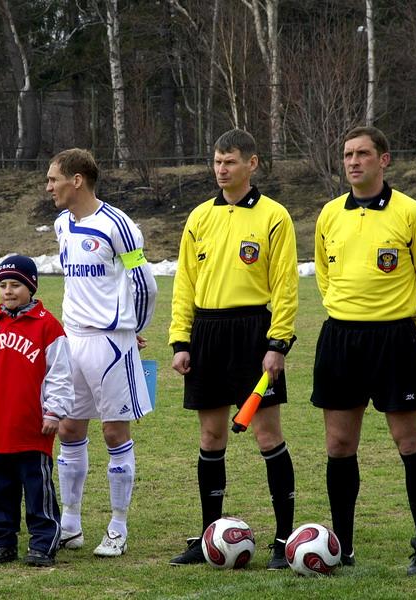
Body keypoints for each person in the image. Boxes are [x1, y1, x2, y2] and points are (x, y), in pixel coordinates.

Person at [311, 126, 416, 575]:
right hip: (340, 338)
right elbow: (326, 278)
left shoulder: (412, 214)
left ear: (383, 160)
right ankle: (342, 546)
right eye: (348, 154)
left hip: (393, 340)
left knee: (409, 442)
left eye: (363, 154)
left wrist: (403, 320)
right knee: (338, 444)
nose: (353, 162)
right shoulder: (330, 214)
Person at [168, 128, 298, 570]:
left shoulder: (274, 216)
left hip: (253, 334)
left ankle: (285, 539)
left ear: (252, 164)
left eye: (230, 162)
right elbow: (184, 282)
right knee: (210, 437)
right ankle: (210, 537)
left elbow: (284, 286)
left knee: (267, 436)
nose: (222, 169)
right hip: (206, 332)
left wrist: (277, 343)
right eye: (217, 162)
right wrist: (181, 340)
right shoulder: (199, 217)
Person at [47, 148, 158, 558]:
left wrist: (133, 328)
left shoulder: (118, 225)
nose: (49, 186)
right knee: (69, 429)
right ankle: (71, 523)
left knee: (114, 432)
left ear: (77, 180)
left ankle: (117, 526)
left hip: (111, 343)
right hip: (71, 341)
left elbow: (143, 284)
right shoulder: (61, 225)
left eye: (53, 178)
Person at [0, 255, 73, 568]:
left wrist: (54, 411)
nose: (9, 291)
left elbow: (60, 375)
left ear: (31, 287)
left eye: (16, 285)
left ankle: (42, 543)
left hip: (33, 428)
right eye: (3, 285)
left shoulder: (47, 328)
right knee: (0, 491)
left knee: (38, 491)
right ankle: (2, 541)